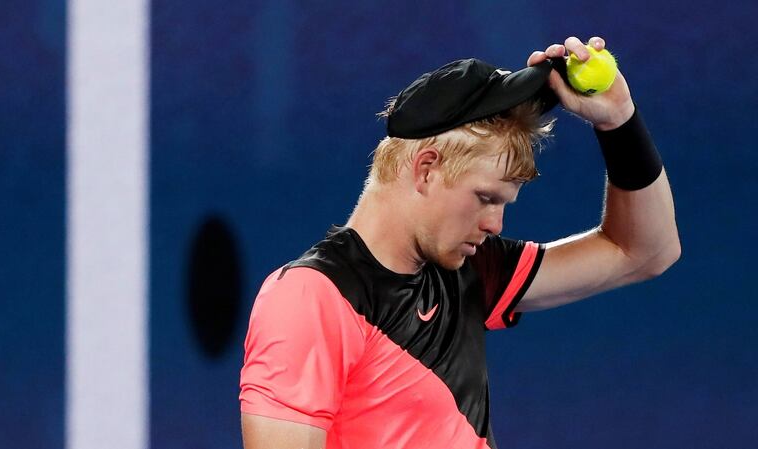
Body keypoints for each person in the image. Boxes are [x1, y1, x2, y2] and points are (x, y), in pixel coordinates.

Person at [239, 36, 680, 449]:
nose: (495, 224)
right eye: (486, 198)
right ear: (426, 168)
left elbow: (644, 252)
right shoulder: (311, 297)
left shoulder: (469, 269)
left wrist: (619, 119)